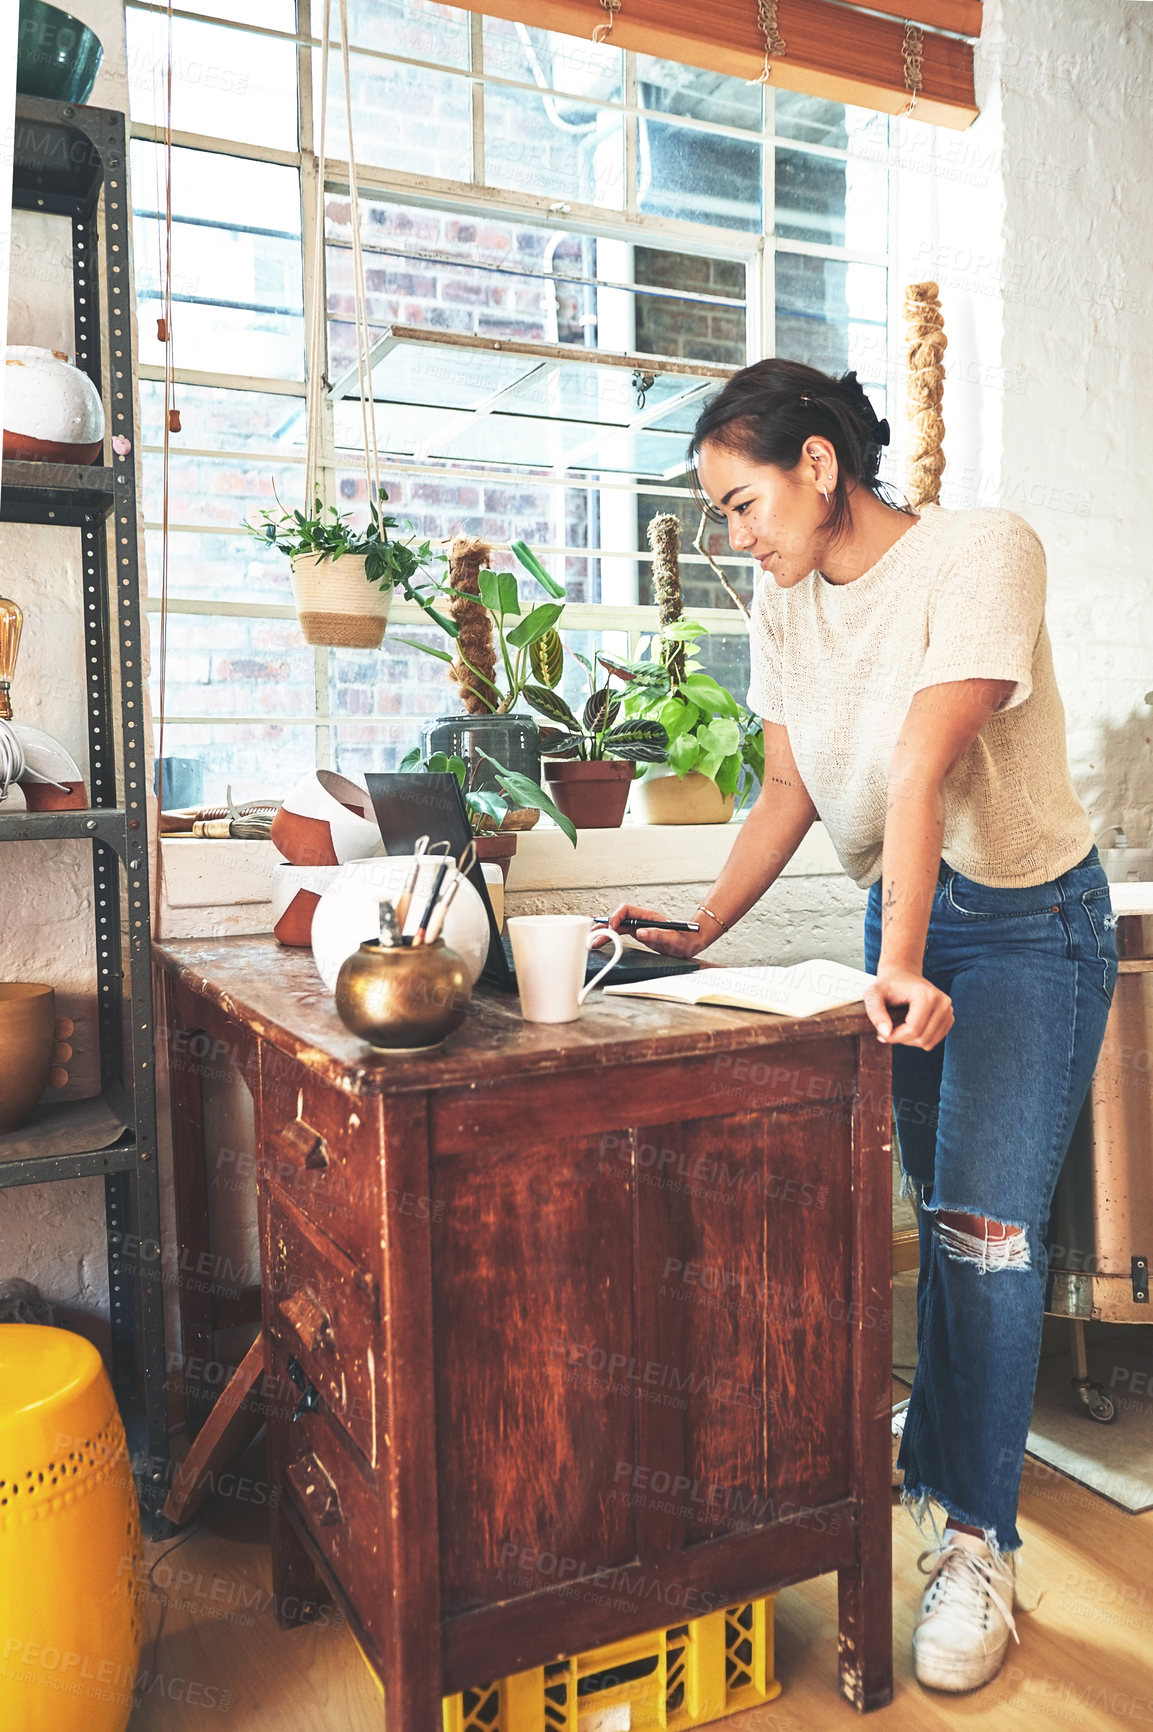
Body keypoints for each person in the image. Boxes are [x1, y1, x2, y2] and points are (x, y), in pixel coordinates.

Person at [604, 357, 1117, 1694]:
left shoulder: (980, 550)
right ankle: (940, 1473)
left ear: (819, 465)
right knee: (935, 1222)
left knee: (984, 1236)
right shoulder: (787, 603)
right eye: (719, 514)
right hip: (914, 926)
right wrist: (698, 929)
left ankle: (974, 1544)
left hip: (1019, 923)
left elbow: (918, 762)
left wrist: (887, 964)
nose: (735, 533)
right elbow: (784, 782)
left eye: (741, 501)